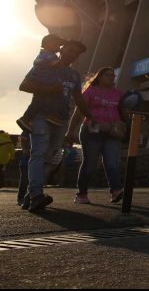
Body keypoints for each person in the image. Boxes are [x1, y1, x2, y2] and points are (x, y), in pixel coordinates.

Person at [18, 39, 93, 212]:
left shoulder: (74, 75)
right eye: (70, 49)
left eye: (76, 52)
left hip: (61, 120)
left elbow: (78, 98)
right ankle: (37, 194)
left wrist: (91, 116)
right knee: (38, 154)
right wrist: (49, 90)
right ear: (61, 49)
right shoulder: (45, 65)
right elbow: (24, 85)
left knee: (49, 157)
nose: (72, 53)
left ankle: (31, 195)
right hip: (41, 116)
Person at [66, 67, 126, 204]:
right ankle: (81, 194)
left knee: (111, 163)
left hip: (112, 132)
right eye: (108, 75)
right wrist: (70, 131)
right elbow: (79, 111)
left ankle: (116, 190)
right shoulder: (90, 91)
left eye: (113, 76)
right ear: (99, 77)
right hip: (92, 131)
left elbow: (123, 112)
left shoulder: (118, 94)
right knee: (89, 164)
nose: (112, 77)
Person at [16, 34, 67, 132]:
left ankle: (27, 118)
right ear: (48, 44)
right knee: (46, 99)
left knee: (36, 101)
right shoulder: (50, 56)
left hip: (39, 81)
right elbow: (59, 65)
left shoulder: (42, 54)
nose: (59, 48)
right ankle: (28, 118)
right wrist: (63, 53)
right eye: (57, 45)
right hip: (46, 82)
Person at [16, 132, 30, 206]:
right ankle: (21, 198)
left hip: (27, 161)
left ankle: (26, 198)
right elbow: (22, 140)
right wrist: (25, 149)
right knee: (24, 180)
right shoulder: (26, 131)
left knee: (26, 180)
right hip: (26, 162)